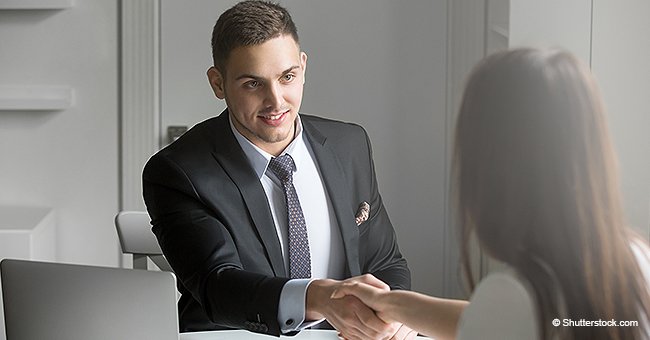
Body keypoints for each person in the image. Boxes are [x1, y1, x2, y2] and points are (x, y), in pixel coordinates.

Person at [331, 48, 650, 340]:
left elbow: (499, 315)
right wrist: (392, 304)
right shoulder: (635, 259)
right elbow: (482, 319)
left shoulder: (513, 296)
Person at [142, 1, 413, 339]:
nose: (276, 101)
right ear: (218, 83)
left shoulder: (350, 144)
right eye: (253, 84)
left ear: (303, 67)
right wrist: (319, 297)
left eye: (287, 77)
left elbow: (386, 263)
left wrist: (396, 313)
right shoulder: (177, 171)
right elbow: (218, 284)